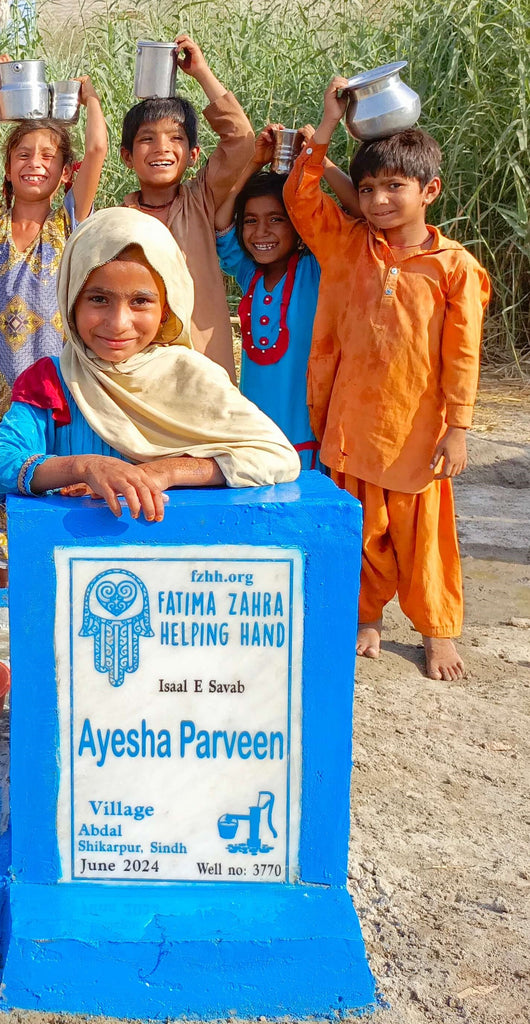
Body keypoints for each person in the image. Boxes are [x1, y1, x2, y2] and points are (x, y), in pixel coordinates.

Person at [283, 78, 491, 680]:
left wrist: (458, 428)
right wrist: (326, 125)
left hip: (417, 435)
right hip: (351, 424)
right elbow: (303, 198)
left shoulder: (454, 268)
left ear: (430, 191)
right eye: (368, 188)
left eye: (393, 187)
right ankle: (365, 616)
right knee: (361, 533)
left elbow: (464, 354)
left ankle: (436, 631)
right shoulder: (350, 246)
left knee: (423, 539)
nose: (376, 200)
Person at [0, 207, 300, 515]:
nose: (118, 323)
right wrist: (84, 466)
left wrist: (164, 471)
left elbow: (276, 457)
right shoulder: (53, 380)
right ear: (71, 300)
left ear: (166, 308)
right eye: (98, 299)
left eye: (141, 301)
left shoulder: (193, 379)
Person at [0, 55, 108, 585]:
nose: (33, 163)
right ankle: (3, 590)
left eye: (46, 156)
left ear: (65, 173)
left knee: (49, 477)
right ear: (9, 162)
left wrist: (89, 101)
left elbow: (99, 149)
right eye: (22, 153)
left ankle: (46, 585)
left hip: (49, 384)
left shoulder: (70, 221)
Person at [214, 123, 359, 469]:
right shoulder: (250, 274)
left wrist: (317, 160)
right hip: (258, 434)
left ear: (298, 226)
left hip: (304, 434)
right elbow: (222, 222)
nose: (260, 232)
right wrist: (253, 163)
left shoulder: (317, 270)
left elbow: (357, 212)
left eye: (276, 219)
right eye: (250, 221)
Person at [119, 33, 254, 381]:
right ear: (127, 157)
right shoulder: (120, 222)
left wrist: (202, 73)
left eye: (176, 138)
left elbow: (240, 140)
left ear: (193, 156)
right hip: (144, 367)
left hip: (205, 361)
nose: (161, 148)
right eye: (147, 139)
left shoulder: (201, 199)